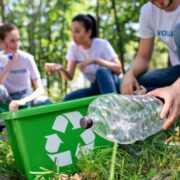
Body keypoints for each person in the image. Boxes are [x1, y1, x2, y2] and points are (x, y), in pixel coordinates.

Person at [121, 0, 180, 128]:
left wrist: (177, 88)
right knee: (140, 83)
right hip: (177, 71)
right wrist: (129, 74)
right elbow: (143, 57)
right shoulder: (148, 11)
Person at [45, 14, 122, 101]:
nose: (73, 35)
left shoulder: (102, 44)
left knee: (102, 72)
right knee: (68, 99)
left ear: (88, 32)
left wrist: (95, 60)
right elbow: (69, 76)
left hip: (113, 83)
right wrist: (61, 68)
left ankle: (114, 107)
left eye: (77, 31)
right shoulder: (73, 48)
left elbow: (119, 69)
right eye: (72, 31)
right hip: (95, 87)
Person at [0, 23, 51, 111]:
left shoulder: (27, 58)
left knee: (44, 101)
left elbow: (40, 89)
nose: (16, 44)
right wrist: (9, 64)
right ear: (2, 42)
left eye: (18, 40)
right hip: (7, 99)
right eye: (12, 41)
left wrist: (22, 101)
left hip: (26, 98)